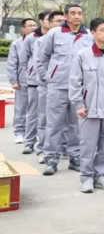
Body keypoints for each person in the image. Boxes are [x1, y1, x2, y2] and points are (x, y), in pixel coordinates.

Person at [38, 4, 95, 175]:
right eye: (73, 13)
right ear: (66, 16)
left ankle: (75, 157)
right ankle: (51, 158)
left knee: (76, 125)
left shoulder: (88, 36)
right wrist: (48, 76)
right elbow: (42, 57)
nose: (77, 16)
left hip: (79, 89)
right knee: (54, 124)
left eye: (79, 13)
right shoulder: (55, 33)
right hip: (57, 86)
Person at [69, 18, 104, 193]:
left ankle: (102, 176)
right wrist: (79, 104)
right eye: (102, 30)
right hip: (88, 109)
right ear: (93, 33)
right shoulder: (83, 55)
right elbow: (75, 82)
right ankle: (86, 177)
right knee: (88, 145)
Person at [30, 11, 64, 163]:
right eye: (58, 21)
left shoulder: (70, 38)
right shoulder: (42, 40)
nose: (61, 23)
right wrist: (48, 78)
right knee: (45, 119)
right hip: (47, 85)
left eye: (63, 20)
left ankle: (63, 149)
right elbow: (39, 62)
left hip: (65, 86)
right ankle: (43, 149)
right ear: (49, 23)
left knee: (65, 121)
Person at [20, 10, 51, 154]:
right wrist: (32, 72)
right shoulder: (31, 38)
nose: (52, 23)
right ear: (41, 21)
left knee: (50, 116)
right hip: (35, 82)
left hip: (53, 82)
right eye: (49, 20)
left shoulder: (57, 37)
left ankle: (49, 145)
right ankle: (29, 142)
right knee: (33, 113)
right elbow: (23, 59)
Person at [7, 17, 37, 144]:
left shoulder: (41, 41)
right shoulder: (17, 44)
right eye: (30, 25)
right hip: (22, 81)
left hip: (36, 81)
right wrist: (14, 80)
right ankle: (19, 132)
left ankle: (34, 133)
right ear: (23, 29)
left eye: (35, 25)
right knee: (20, 108)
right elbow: (12, 63)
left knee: (35, 110)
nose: (33, 28)